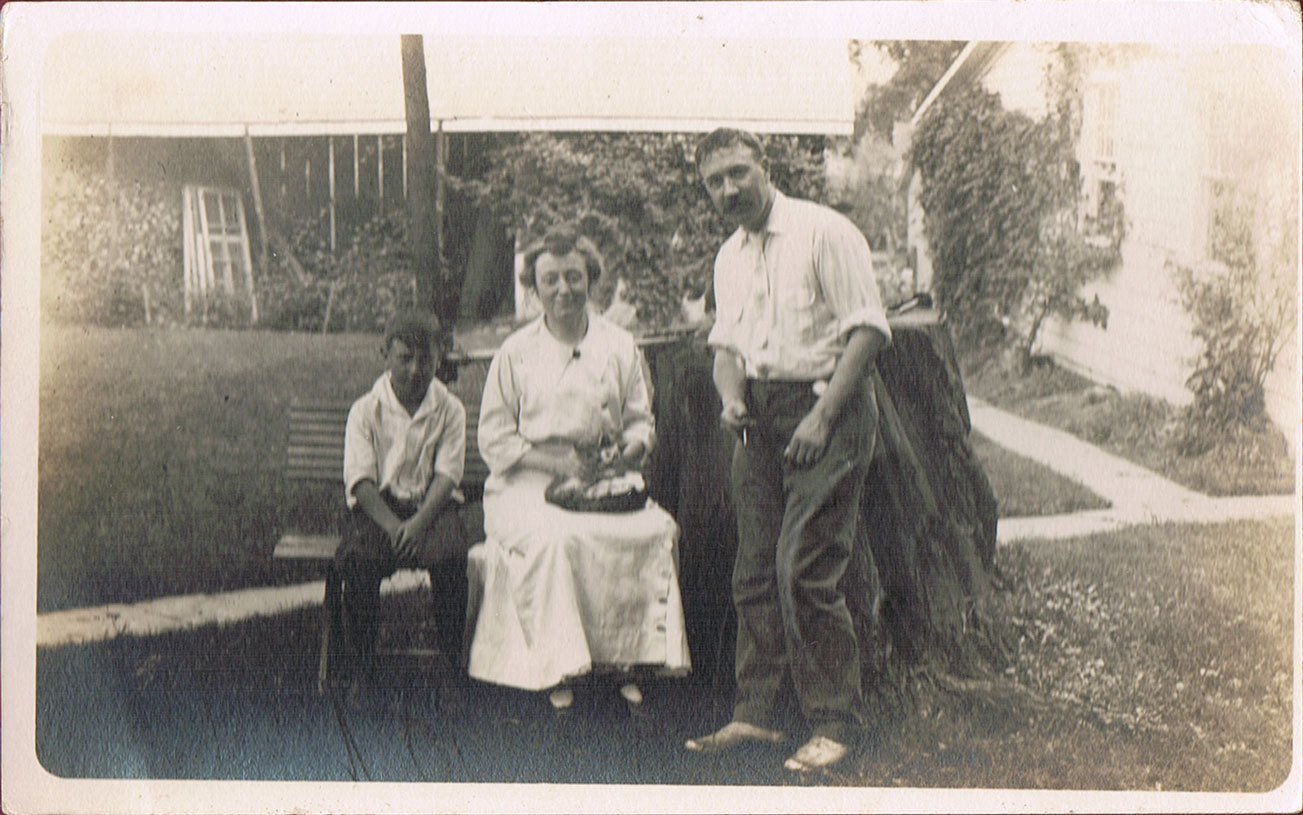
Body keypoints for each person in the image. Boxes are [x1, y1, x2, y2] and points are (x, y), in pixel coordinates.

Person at [684, 128, 891, 772]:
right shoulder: (728, 257)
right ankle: (758, 713)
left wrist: (822, 419)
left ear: (764, 167)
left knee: (803, 566)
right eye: (716, 181)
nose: (729, 189)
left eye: (738, 173)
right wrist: (731, 399)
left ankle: (833, 720)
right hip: (760, 419)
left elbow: (869, 331)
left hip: (829, 407)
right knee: (753, 570)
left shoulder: (825, 232)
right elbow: (727, 349)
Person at [467, 224, 691, 712]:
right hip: (526, 479)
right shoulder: (517, 352)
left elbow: (639, 420)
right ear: (535, 288)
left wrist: (629, 451)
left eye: (574, 276)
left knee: (652, 530)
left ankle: (624, 661)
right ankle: (558, 665)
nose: (564, 288)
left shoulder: (619, 345)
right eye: (551, 280)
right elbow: (494, 436)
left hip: (603, 476)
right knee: (557, 539)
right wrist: (554, 461)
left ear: (591, 278)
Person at [335, 308, 469, 699]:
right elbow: (360, 481)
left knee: (450, 560)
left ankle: (450, 665)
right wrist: (396, 528)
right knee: (359, 562)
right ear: (385, 355)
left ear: (439, 358)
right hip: (380, 510)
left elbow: (448, 476)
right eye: (404, 358)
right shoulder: (366, 410)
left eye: (425, 358)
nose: (414, 369)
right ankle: (363, 668)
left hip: (431, 509)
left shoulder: (449, 409)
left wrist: (419, 524)